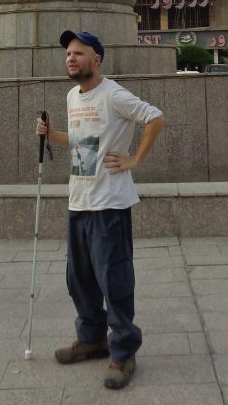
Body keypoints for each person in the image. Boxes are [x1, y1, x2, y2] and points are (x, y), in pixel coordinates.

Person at [36, 30, 165, 390]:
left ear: (96, 59)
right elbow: (82, 142)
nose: (71, 58)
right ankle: (92, 338)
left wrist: (134, 159)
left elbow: (155, 117)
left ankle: (123, 352)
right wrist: (52, 135)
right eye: (68, 54)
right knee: (79, 280)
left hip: (109, 205)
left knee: (115, 282)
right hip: (79, 202)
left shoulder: (113, 94)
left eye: (79, 53)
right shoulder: (72, 96)